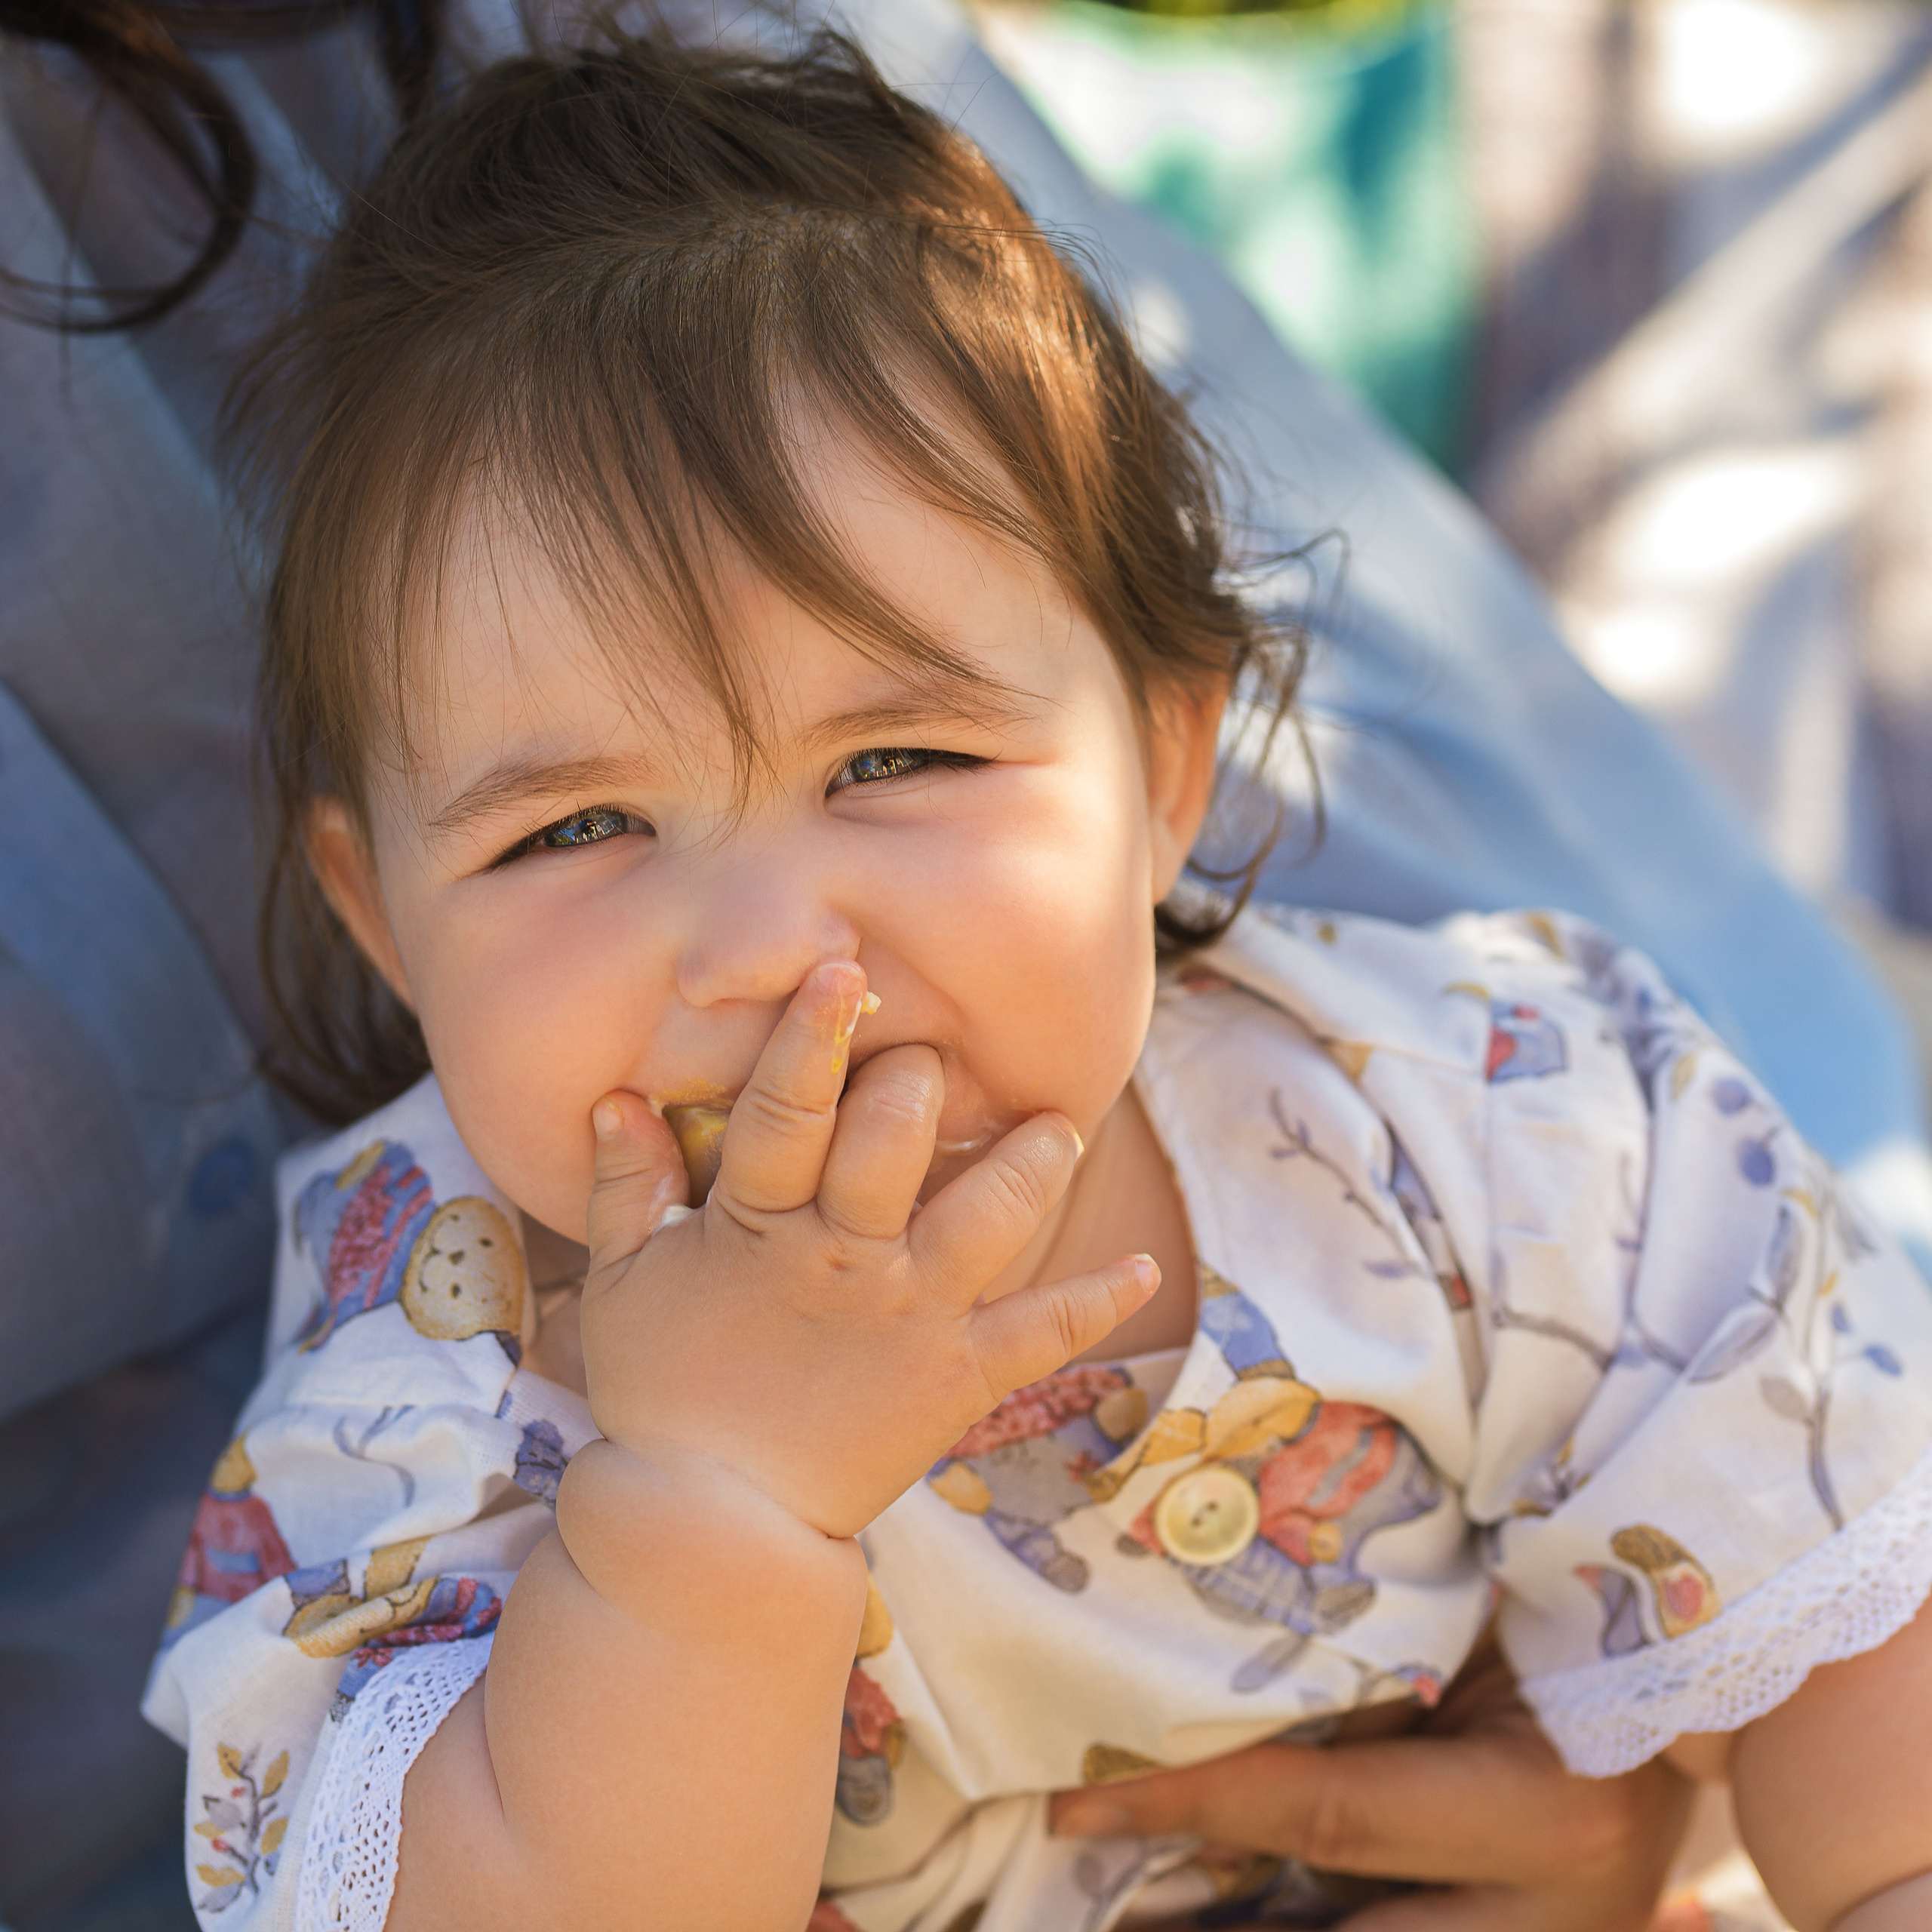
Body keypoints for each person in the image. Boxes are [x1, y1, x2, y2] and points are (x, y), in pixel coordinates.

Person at [140, 24, 1932, 1932]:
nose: (758, 950)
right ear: (382, 913)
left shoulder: (1484, 1124)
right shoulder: (421, 1382)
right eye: (570, 828)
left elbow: (1858, 1616)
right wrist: (707, 1510)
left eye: (891, 762)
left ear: (1165, 773)